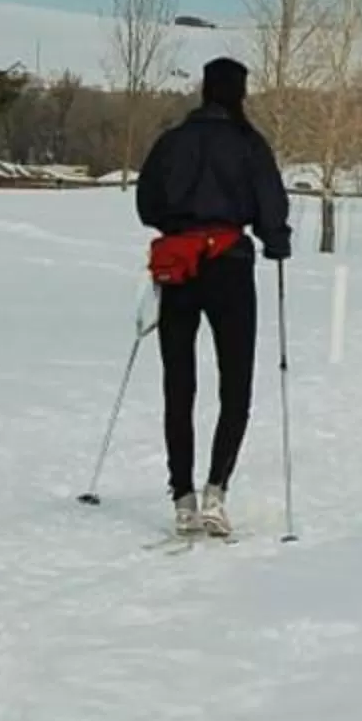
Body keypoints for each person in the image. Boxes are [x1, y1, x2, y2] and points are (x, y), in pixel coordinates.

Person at [134, 57, 291, 538]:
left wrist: (178, 227)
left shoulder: (171, 141)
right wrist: (276, 241)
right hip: (230, 267)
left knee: (178, 383)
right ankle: (215, 492)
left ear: (204, 91)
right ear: (239, 94)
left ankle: (181, 495)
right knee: (234, 383)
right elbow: (271, 204)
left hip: (179, 267)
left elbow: (146, 204)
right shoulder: (249, 144)